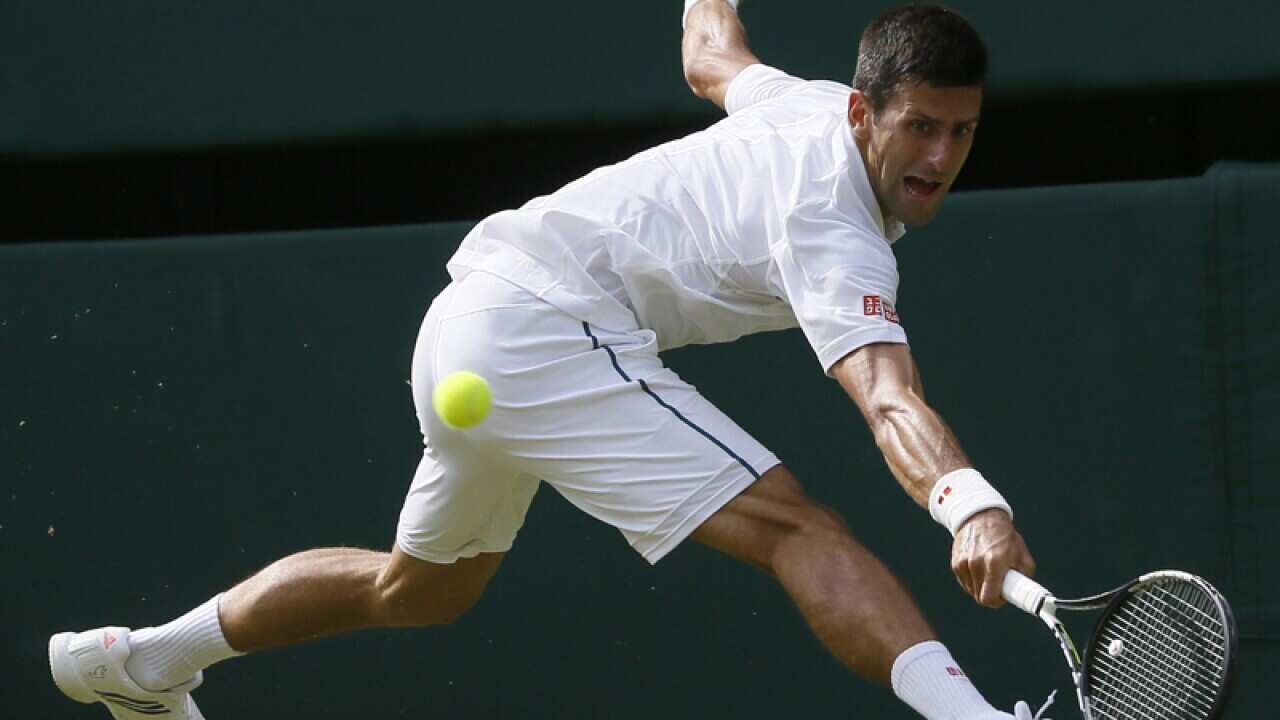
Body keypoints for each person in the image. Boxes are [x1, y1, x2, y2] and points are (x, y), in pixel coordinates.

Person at [49, 2, 1052, 718]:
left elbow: (710, 49)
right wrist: (969, 504)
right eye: (917, 125)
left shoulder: (799, 103)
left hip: (466, 330)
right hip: (541, 329)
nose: (935, 157)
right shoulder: (836, 226)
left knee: (421, 590)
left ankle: (137, 662)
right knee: (797, 529)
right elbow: (885, 398)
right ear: (862, 113)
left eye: (959, 131)